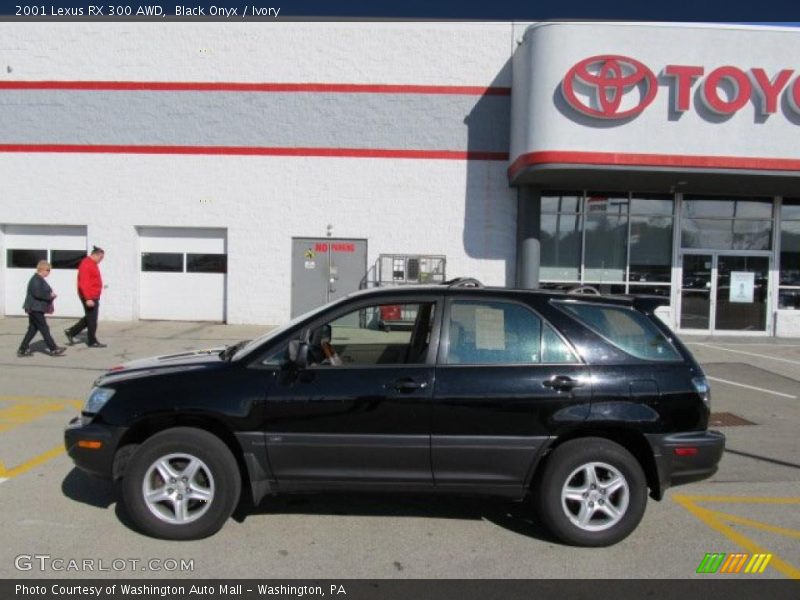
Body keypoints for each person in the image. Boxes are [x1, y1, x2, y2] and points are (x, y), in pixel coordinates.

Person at [17, 260, 66, 357]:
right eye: (48, 270)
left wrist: (50, 294)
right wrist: (50, 296)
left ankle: (22, 349)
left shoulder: (39, 279)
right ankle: (53, 349)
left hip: (36, 308)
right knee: (44, 328)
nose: (49, 272)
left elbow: (41, 291)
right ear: (42, 269)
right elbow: (37, 294)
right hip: (35, 308)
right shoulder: (36, 279)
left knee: (32, 329)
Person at [64, 246, 107, 348]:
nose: (101, 260)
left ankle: (71, 332)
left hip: (93, 295)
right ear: (95, 255)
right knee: (92, 320)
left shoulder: (92, 264)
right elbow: (84, 283)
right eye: (101, 257)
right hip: (89, 297)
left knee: (89, 318)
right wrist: (88, 298)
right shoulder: (86, 264)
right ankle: (92, 341)